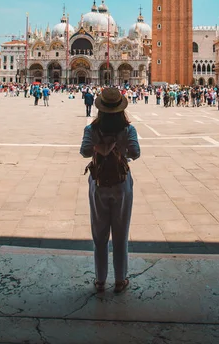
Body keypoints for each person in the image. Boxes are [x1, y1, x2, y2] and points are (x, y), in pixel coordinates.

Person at [80, 88, 140, 294]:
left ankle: (100, 280)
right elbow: (136, 153)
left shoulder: (92, 129)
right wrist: (120, 147)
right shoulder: (128, 129)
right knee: (121, 233)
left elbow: (84, 151)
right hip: (122, 184)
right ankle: (120, 280)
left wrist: (100, 146)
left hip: (98, 184)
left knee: (99, 234)